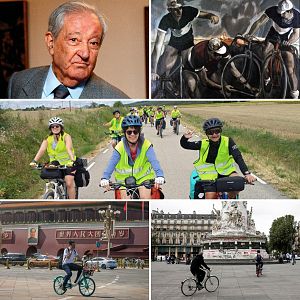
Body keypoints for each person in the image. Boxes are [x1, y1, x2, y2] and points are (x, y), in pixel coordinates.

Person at [8, 1, 129, 99]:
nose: (85, 53)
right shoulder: (19, 81)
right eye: (74, 40)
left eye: (93, 43)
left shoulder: (116, 101)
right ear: (51, 43)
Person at [180, 118, 256, 199]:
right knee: (210, 196)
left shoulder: (228, 141)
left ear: (220, 131)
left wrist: (247, 174)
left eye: (217, 131)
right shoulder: (203, 143)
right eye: (210, 132)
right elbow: (185, 145)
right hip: (208, 175)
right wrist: (185, 138)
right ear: (206, 134)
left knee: (236, 185)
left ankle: (229, 204)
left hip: (227, 171)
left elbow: (238, 157)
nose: (214, 134)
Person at [151, 0, 219, 81]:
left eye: (180, 8)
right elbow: (158, 45)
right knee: (164, 67)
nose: (179, 11)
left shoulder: (188, 11)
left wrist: (212, 16)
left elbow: (206, 14)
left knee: (189, 66)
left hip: (188, 43)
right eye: (175, 9)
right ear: (169, 10)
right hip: (174, 44)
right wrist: (153, 71)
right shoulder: (165, 19)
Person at [100, 115, 165, 199]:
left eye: (135, 131)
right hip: (124, 181)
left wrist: (160, 175)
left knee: (146, 201)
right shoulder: (120, 147)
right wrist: (105, 178)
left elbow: (154, 161)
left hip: (143, 179)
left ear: (139, 132)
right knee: (126, 203)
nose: (133, 134)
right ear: (124, 133)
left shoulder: (146, 144)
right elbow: (111, 164)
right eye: (129, 132)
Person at [246, 0, 300, 99]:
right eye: (280, 12)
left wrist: (289, 42)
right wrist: (250, 34)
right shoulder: (273, 10)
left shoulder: (297, 16)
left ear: (290, 11)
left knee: (290, 68)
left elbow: (296, 33)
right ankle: (266, 79)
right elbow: (259, 22)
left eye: (284, 13)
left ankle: (294, 93)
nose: (281, 15)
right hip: (273, 35)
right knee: (265, 55)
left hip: (286, 38)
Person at [184, 37, 258, 98]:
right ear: (210, 52)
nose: (220, 57)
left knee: (226, 93)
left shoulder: (224, 48)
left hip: (208, 67)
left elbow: (233, 69)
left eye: (221, 54)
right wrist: (223, 87)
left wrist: (249, 87)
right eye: (216, 54)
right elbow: (205, 81)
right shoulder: (199, 54)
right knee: (192, 85)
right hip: (190, 68)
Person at [29, 117, 77, 199]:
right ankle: (54, 193)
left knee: (69, 183)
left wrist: (72, 160)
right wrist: (34, 161)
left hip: (69, 162)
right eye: (52, 126)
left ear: (61, 127)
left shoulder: (66, 136)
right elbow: (42, 149)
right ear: (50, 128)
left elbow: (69, 148)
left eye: (57, 126)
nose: (55, 128)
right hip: (55, 163)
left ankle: (72, 204)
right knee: (51, 177)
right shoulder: (48, 138)